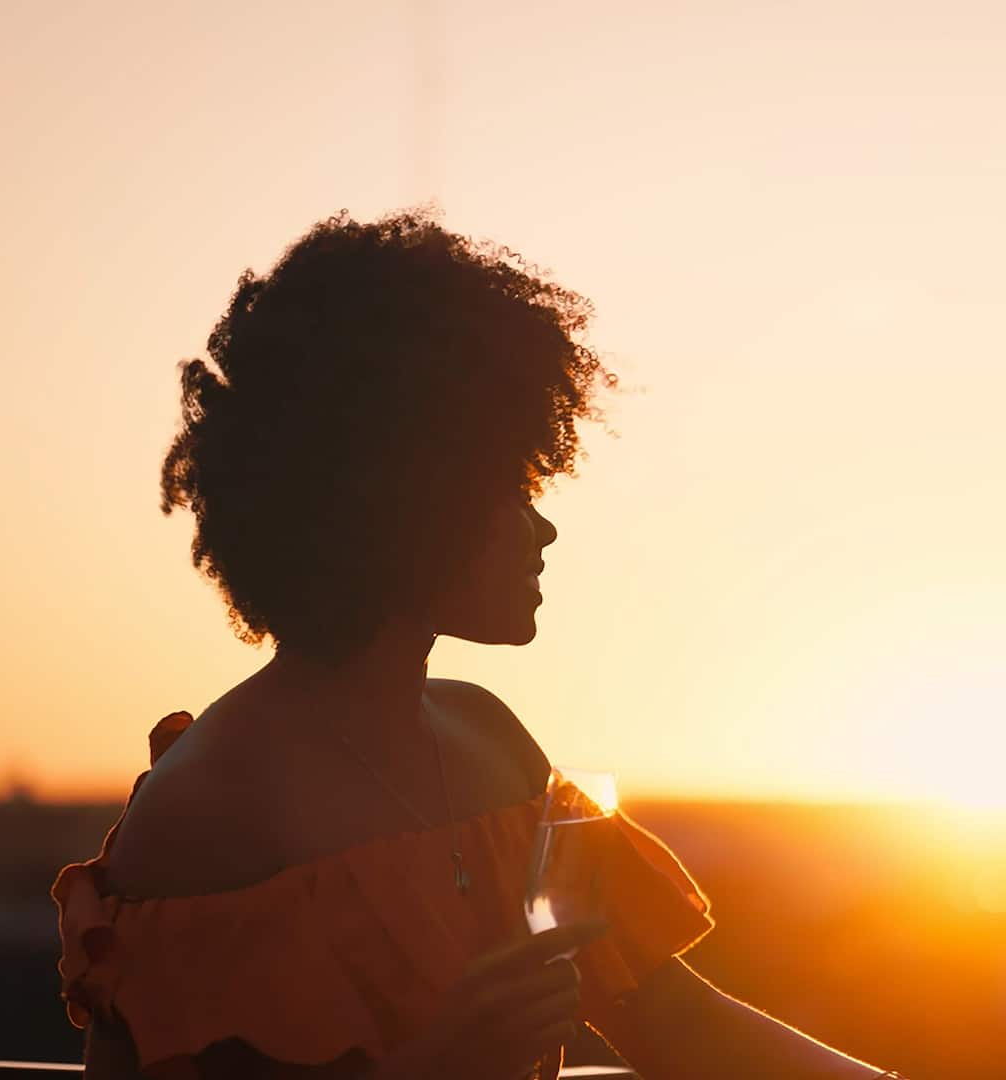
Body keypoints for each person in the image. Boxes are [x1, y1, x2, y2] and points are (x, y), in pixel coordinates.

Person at [53, 211, 905, 1080]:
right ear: (411, 500)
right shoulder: (209, 808)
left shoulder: (488, 738)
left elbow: (672, 1020)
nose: (543, 528)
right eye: (509, 485)